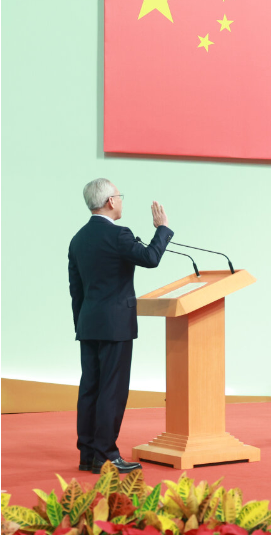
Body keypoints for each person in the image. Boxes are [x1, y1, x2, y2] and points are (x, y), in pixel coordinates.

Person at [68, 178, 173, 473]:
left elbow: (76, 289)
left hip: (88, 324)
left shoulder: (78, 239)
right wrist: (162, 229)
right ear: (111, 201)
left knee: (90, 389)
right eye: (120, 196)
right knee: (112, 391)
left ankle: (88, 455)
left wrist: (82, 324)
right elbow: (150, 258)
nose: (121, 201)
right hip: (115, 326)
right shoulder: (118, 234)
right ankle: (106, 456)